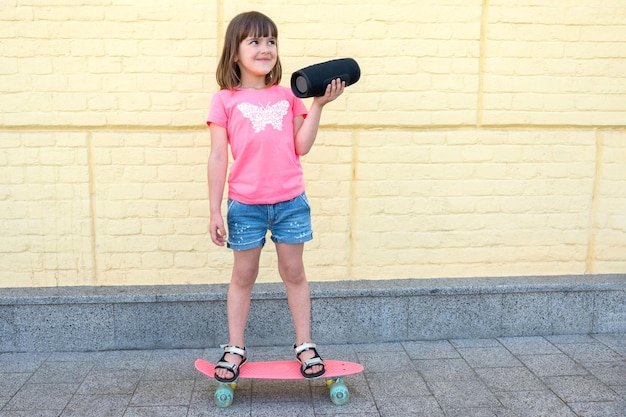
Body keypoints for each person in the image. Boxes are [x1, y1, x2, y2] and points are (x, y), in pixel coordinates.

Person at [206, 11, 345, 383]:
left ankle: (304, 344)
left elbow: (302, 146)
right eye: (254, 41)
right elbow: (219, 156)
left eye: (270, 41)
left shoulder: (288, 96)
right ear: (235, 52)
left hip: (290, 201)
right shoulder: (224, 100)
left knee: (294, 272)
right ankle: (235, 347)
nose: (265, 48)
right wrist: (214, 210)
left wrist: (317, 106)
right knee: (243, 275)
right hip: (245, 205)